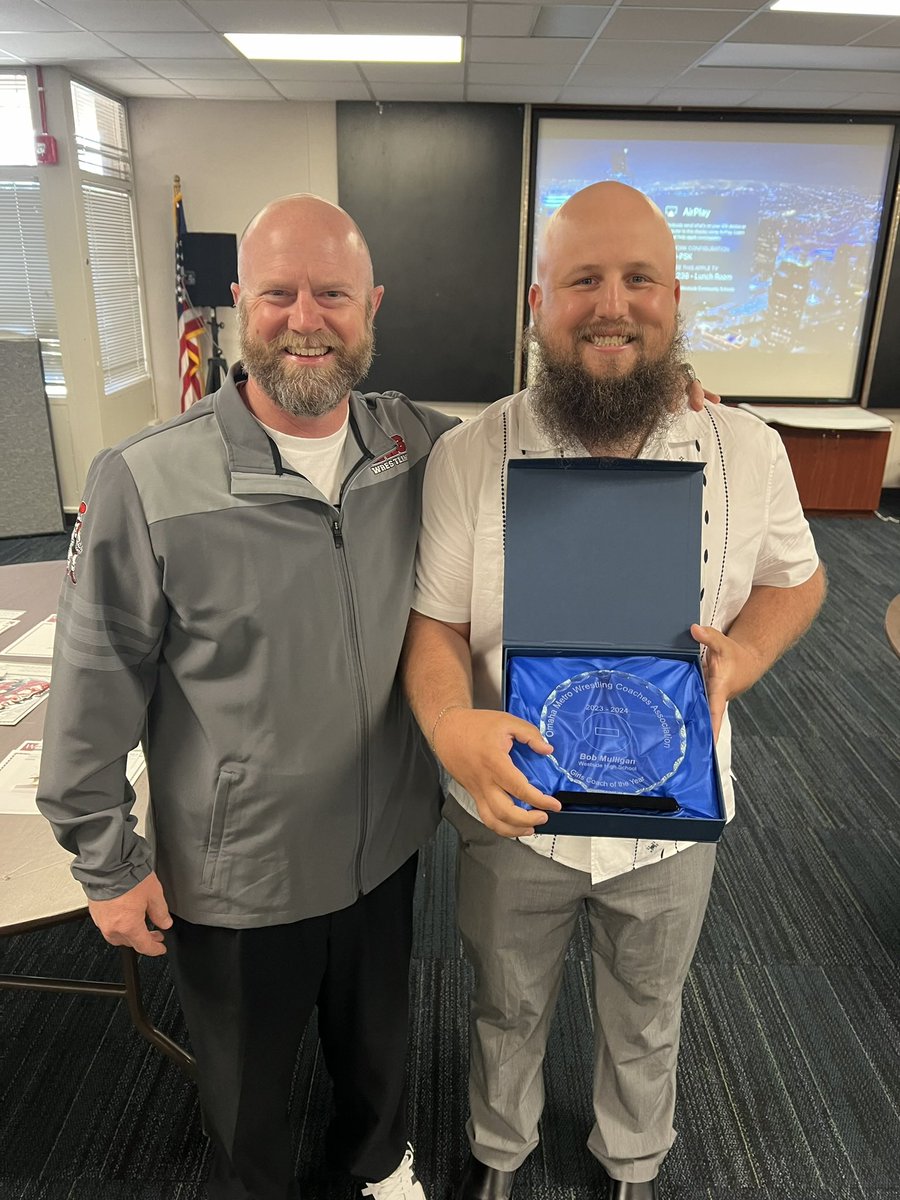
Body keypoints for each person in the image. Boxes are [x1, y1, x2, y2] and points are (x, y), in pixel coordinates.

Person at [401, 182, 826, 1200]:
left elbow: (799, 580)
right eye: (583, 279)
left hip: (672, 809)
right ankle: (500, 1156)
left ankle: (632, 1163)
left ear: (676, 301)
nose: (612, 304)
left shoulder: (748, 450)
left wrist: (749, 659)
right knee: (507, 1005)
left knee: (648, 1006)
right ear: (538, 304)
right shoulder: (470, 456)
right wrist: (450, 723)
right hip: (517, 806)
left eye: (639, 280)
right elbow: (437, 629)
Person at [36, 194, 458, 1200]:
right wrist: (105, 861)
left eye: (333, 294)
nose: (305, 318)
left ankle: (374, 1170)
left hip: (385, 847)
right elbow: (91, 690)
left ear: (373, 308)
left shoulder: (422, 449)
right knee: (246, 1098)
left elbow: (547, 443)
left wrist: (669, 396)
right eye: (279, 293)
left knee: (380, 1054)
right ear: (240, 302)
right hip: (238, 876)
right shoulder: (148, 481)